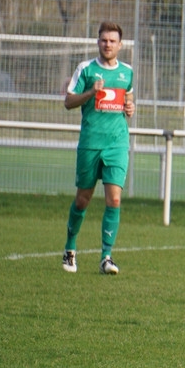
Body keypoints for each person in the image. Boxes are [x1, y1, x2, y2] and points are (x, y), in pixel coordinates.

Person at [61, 21, 135, 274]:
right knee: (83, 200)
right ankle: (70, 249)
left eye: (113, 41)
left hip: (117, 143)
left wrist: (130, 108)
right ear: (98, 42)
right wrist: (91, 92)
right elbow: (68, 102)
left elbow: (128, 99)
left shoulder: (127, 72)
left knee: (114, 199)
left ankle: (106, 257)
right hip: (91, 144)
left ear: (120, 45)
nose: (108, 44)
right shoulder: (86, 69)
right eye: (104, 40)